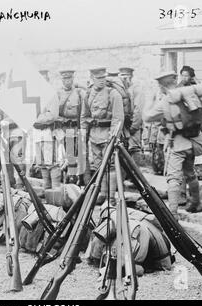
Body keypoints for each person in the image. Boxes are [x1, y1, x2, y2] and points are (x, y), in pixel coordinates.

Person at [143, 71, 202, 219]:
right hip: (193, 142)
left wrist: (149, 99)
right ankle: (196, 203)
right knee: (190, 173)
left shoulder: (166, 100)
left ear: (161, 85)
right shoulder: (190, 95)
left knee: (173, 178)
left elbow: (147, 117)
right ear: (175, 81)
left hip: (178, 144)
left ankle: (172, 213)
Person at [81, 67, 124, 205]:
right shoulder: (88, 94)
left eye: (103, 78)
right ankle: (103, 194)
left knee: (110, 166)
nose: (101, 81)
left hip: (108, 136)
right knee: (99, 165)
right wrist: (84, 135)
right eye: (98, 78)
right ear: (92, 79)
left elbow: (118, 118)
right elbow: (84, 116)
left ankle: (111, 199)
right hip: (94, 136)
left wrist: (113, 137)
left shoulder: (113, 94)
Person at [56, 69, 86, 185]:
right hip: (64, 128)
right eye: (65, 79)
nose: (67, 81)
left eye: (69, 78)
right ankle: (70, 176)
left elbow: (85, 109)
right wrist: (61, 121)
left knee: (80, 153)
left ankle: (80, 177)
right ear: (62, 80)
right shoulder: (58, 94)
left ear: (73, 79)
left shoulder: (79, 93)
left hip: (77, 127)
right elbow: (54, 112)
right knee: (68, 154)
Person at [119, 67, 145, 166]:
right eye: (122, 76)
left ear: (131, 76)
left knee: (134, 149)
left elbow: (138, 109)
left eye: (127, 76)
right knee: (123, 149)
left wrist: (134, 126)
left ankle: (136, 176)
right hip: (123, 125)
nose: (124, 79)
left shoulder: (136, 89)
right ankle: (125, 175)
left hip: (133, 124)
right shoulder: (120, 89)